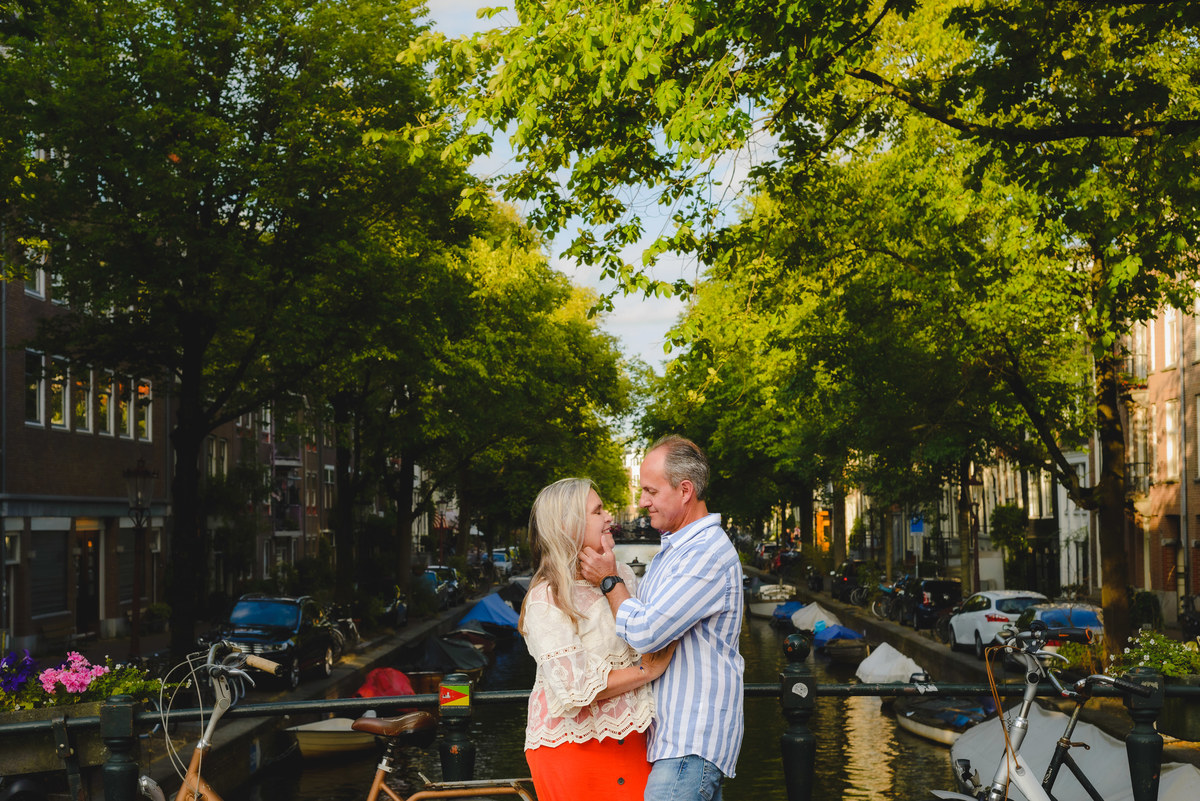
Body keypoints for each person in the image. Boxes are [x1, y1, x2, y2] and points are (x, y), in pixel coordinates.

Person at [580, 435, 745, 801]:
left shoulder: (704, 553)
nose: (642, 502)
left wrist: (609, 581)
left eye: (651, 491)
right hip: (675, 741)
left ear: (685, 490)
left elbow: (646, 632)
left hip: (689, 741)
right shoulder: (675, 551)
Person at [521, 478, 676, 801]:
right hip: (572, 745)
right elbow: (577, 689)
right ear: (568, 526)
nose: (609, 518)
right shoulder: (546, 600)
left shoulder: (624, 576)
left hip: (633, 738)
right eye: (597, 511)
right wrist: (646, 672)